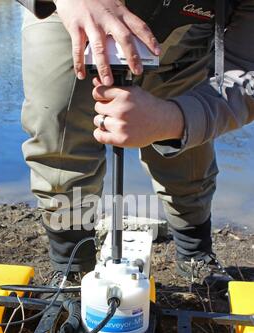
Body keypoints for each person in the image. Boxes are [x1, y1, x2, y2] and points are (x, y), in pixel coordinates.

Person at [17, 0, 254, 289]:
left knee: (187, 151)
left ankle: (194, 253)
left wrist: (173, 120)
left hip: (187, 34)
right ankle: (72, 265)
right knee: (58, 132)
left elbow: (246, 68)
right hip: (68, 15)